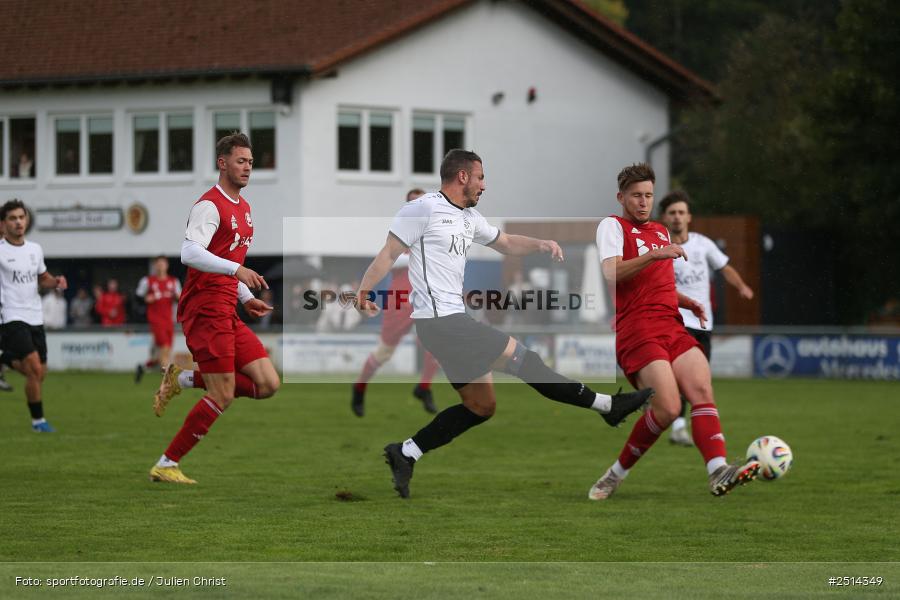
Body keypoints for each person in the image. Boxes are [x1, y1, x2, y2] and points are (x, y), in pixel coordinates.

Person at [355, 150, 653, 499]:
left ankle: (405, 452)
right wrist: (363, 293)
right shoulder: (422, 208)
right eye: (480, 177)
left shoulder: (469, 217)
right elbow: (388, 253)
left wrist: (540, 243)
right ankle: (608, 406)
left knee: (481, 406)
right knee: (528, 362)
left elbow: (507, 242)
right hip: (442, 322)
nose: (484, 184)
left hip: (450, 324)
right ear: (462, 177)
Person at [589, 163, 759, 501]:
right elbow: (611, 273)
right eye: (636, 196)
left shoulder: (660, 232)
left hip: (671, 324)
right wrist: (655, 255)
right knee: (666, 409)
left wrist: (686, 302)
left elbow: (657, 284)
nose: (643, 202)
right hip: (638, 330)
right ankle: (614, 474)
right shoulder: (613, 226)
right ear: (621, 197)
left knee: (701, 389)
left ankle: (717, 470)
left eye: (648, 195)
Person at [148, 132, 279, 485]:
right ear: (222, 163)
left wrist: (242, 296)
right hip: (205, 309)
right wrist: (236, 272)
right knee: (222, 393)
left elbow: (224, 259)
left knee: (268, 383)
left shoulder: (245, 209)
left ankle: (183, 377)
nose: (247, 167)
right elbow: (190, 253)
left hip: (226, 306)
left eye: (250, 162)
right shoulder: (209, 205)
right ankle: (166, 462)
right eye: (241, 161)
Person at [658, 190, 754, 446]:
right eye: (672, 213)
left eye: (681, 212)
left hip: (703, 324)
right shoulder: (659, 249)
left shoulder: (703, 244)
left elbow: (725, 268)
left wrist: (741, 286)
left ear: (689, 217)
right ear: (664, 218)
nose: (677, 217)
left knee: (699, 381)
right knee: (684, 378)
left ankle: (679, 421)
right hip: (676, 323)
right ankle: (680, 426)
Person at [351, 188, 443, 418]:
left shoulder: (433, 233)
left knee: (437, 346)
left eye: (421, 202)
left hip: (425, 296)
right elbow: (388, 260)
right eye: (412, 203)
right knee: (384, 352)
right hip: (401, 298)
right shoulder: (400, 233)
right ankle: (360, 387)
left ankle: (424, 387)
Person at [0, 199, 68, 432]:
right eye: (12, 218)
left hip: (35, 316)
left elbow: (42, 278)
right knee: (34, 369)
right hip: (10, 315)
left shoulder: (34, 249)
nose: (18, 222)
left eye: (21, 217)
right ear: (3, 224)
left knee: (40, 373)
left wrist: (56, 281)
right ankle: (38, 422)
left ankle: (4, 357)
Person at [134, 256, 182, 383]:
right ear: (155, 266)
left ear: (167, 265)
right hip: (156, 320)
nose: (161, 266)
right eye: (158, 263)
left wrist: (177, 298)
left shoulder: (173, 282)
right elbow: (137, 297)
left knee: (163, 353)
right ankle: (168, 382)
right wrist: (145, 299)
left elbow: (180, 299)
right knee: (165, 349)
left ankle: (142, 368)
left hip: (169, 321)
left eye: (163, 263)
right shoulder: (148, 281)